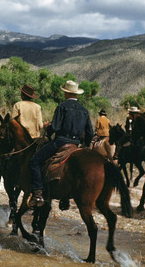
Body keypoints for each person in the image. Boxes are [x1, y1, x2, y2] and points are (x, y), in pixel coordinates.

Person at [26, 80, 94, 208]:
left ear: (67, 94)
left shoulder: (62, 107)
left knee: (34, 161)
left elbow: (56, 128)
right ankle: (65, 198)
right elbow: (90, 132)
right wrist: (85, 146)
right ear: (76, 95)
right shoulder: (84, 110)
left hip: (60, 142)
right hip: (75, 145)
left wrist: (47, 128)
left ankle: (38, 193)